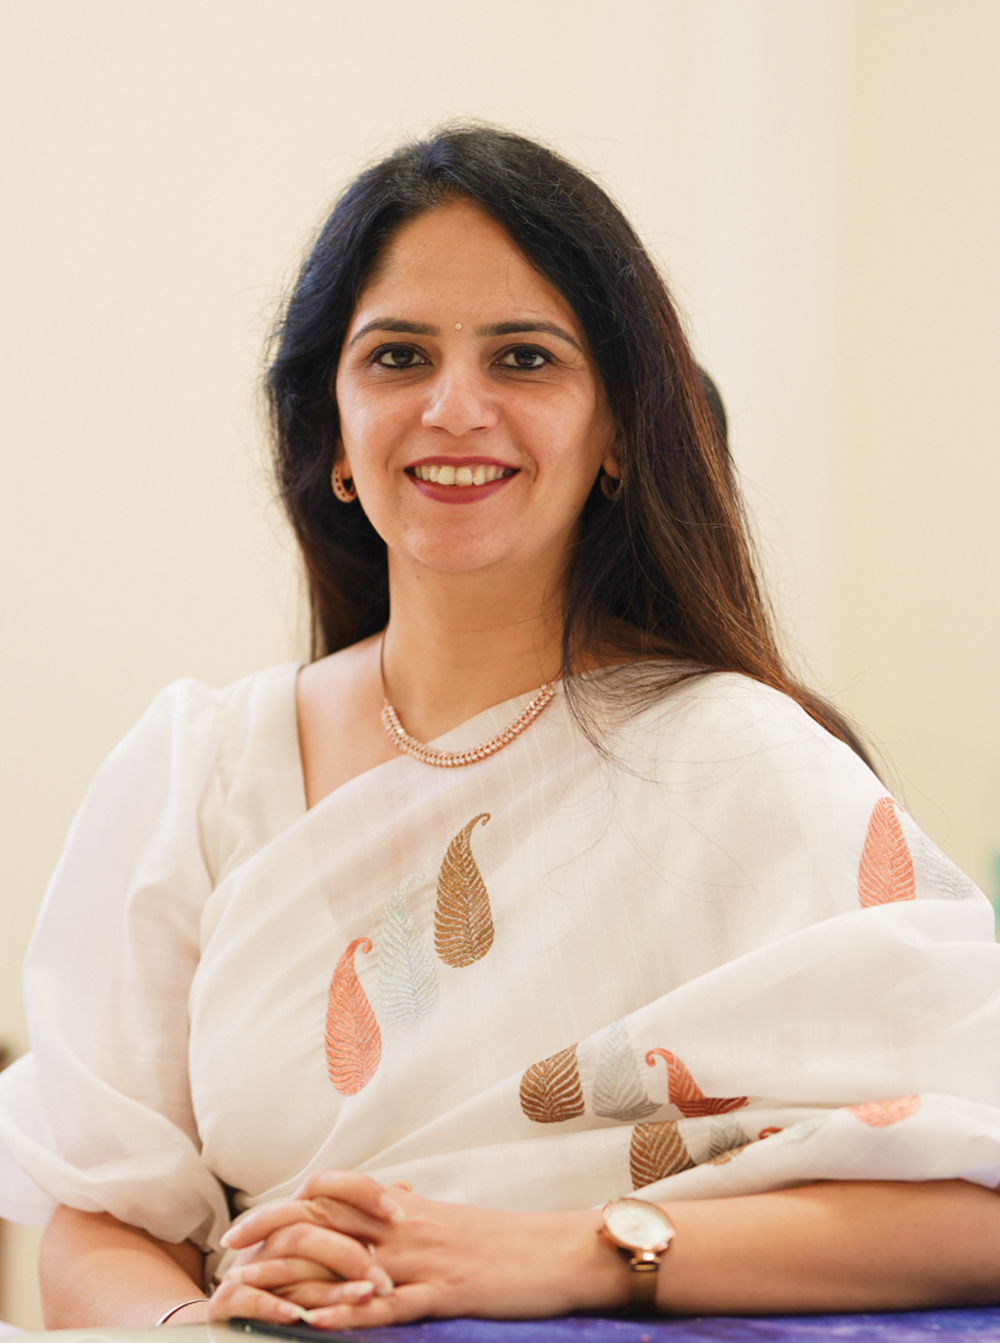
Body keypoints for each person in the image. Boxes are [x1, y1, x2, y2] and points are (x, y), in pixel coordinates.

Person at [1, 125, 999, 1332]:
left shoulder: (745, 761)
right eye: (398, 356)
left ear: (618, 430)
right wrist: (198, 1331)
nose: (453, 407)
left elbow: (976, 1199)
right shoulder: (198, 771)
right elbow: (101, 1218)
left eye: (524, 357)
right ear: (330, 433)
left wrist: (555, 1256)